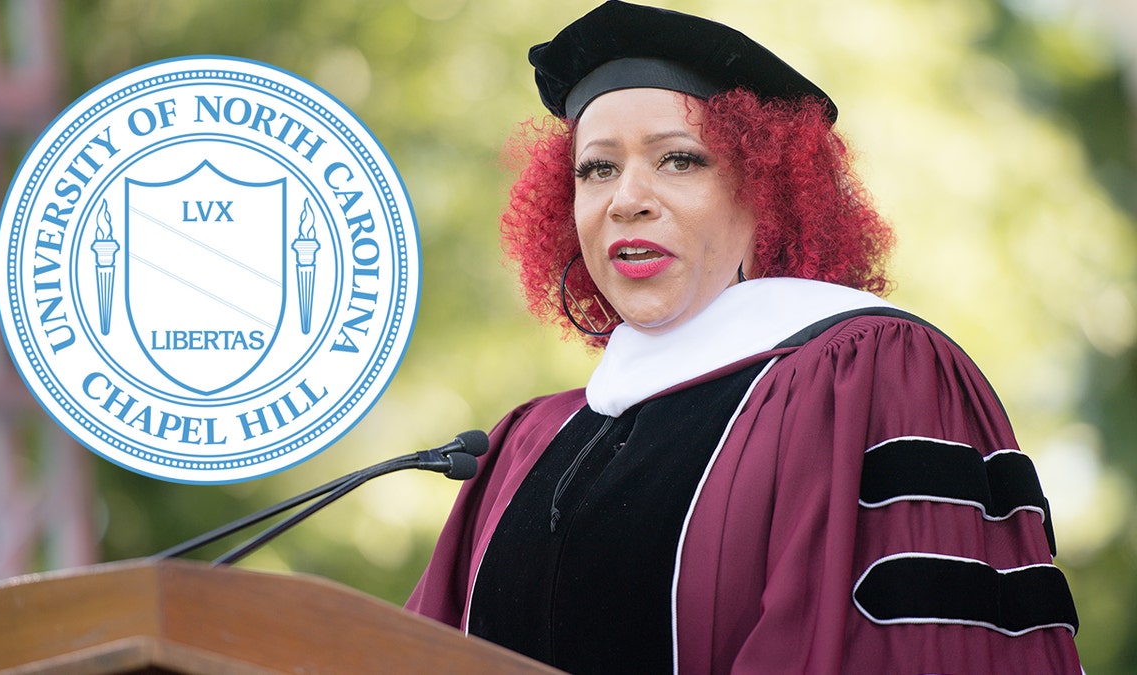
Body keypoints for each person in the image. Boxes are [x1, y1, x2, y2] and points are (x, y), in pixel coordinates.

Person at [406, 2, 1083, 673]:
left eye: (678, 160)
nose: (626, 199)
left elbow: (925, 641)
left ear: (768, 189)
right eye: (597, 169)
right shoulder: (524, 445)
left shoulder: (871, 376)